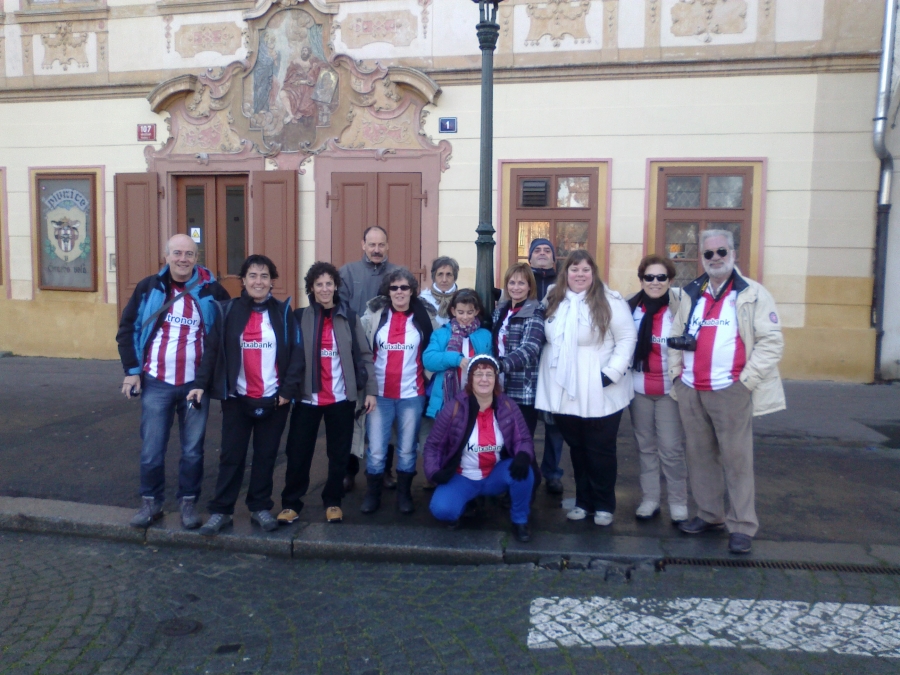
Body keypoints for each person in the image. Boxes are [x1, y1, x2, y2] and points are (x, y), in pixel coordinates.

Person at [669, 229, 785, 555]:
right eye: (709, 253)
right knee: (700, 457)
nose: (716, 258)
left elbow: (771, 342)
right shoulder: (693, 292)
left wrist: (746, 381)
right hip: (691, 388)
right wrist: (676, 376)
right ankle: (710, 515)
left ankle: (742, 525)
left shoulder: (752, 293)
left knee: (737, 460)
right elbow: (675, 335)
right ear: (702, 258)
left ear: (733, 253)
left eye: (722, 251)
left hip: (731, 389)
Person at [116, 233, 230, 530]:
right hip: (157, 382)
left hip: (195, 385)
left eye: (189, 254)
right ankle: (150, 503)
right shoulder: (149, 287)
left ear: (197, 258)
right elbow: (128, 328)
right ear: (166, 256)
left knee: (192, 450)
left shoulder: (213, 290)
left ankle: (188, 503)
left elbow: (225, 334)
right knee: (152, 448)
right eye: (177, 253)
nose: (183, 259)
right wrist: (132, 370)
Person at [186, 255, 302, 536]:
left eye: (264, 276)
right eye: (252, 275)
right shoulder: (228, 311)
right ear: (243, 280)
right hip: (237, 398)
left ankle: (259, 506)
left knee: (266, 456)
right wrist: (200, 383)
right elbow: (213, 349)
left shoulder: (283, 312)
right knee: (231, 456)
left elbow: (297, 353)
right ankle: (222, 510)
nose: (258, 281)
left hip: (274, 399)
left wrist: (288, 390)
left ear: (272, 281)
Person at [535, 250, 637, 527]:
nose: (579, 274)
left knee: (600, 449)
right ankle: (583, 501)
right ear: (565, 273)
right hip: (563, 388)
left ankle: (603, 504)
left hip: (600, 387)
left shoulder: (610, 301)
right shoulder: (554, 299)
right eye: (574, 269)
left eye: (585, 270)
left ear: (593, 273)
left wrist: (611, 373)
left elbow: (627, 338)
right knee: (577, 448)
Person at [278, 262, 377, 525]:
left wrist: (370, 391)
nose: (324, 289)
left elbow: (365, 355)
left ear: (336, 286)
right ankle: (291, 503)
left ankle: (333, 502)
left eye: (329, 284)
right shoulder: (299, 316)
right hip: (307, 398)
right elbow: (289, 355)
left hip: (341, 398)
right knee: (298, 453)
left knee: (339, 454)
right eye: (319, 284)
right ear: (311, 288)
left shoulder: (349, 317)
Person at [425, 355, 535, 543]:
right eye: (478, 374)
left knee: (525, 472)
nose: (484, 379)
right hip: (463, 475)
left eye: (489, 374)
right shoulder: (454, 408)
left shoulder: (507, 405)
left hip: (495, 474)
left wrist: (524, 454)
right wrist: (433, 472)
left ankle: (520, 520)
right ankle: (465, 502)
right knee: (442, 510)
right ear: (470, 379)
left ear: (495, 379)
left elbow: (523, 438)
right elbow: (433, 445)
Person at [360, 268, 437, 514]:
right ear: (388, 291)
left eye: (404, 287)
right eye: (394, 288)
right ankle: (373, 495)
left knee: (407, 448)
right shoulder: (375, 316)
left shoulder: (425, 317)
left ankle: (404, 495)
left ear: (412, 290)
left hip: (411, 395)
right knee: (376, 449)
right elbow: (360, 348)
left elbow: (435, 348)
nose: (399, 292)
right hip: (379, 395)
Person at [626, 254, 688, 523]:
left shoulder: (680, 308)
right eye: (649, 277)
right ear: (641, 280)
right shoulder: (631, 308)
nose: (655, 282)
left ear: (670, 280)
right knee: (645, 447)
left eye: (661, 277)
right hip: (638, 389)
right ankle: (650, 499)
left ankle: (678, 502)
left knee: (671, 449)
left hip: (669, 391)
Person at [338, 226, 400, 491]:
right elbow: (340, 309)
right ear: (363, 244)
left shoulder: (397, 274)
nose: (376, 250)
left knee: (385, 414)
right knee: (352, 413)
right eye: (372, 244)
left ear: (387, 246)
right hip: (354, 354)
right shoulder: (347, 273)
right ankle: (348, 470)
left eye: (381, 245)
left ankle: (384, 470)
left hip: (388, 355)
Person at [528, 238, 565, 495]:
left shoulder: (563, 284)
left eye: (547, 250)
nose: (542, 254)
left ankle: (552, 472)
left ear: (554, 258)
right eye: (537, 250)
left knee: (555, 424)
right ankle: (528, 471)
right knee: (526, 422)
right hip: (527, 362)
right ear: (530, 257)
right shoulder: (521, 280)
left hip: (554, 361)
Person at [491, 263, 545, 437]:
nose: (516, 287)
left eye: (521, 283)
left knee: (521, 440)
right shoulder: (501, 310)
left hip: (522, 387)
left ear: (530, 286)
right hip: (499, 384)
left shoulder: (535, 311)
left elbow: (530, 349)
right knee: (501, 439)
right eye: (512, 282)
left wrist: (500, 365)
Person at [423, 288, 492, 420]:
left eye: (469, 312)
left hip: (476, 400)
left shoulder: (485, 335)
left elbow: (491, 366)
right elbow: (429, 360)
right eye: (461, 312)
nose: (465, 317)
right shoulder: (441, 333)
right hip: (445, 402)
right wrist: (456, 359)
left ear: (476, 311)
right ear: (453, 311)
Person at [419, 256, 459, 327]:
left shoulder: (461, 299)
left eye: (449, 274)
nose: (444, 280)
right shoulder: (423, 300)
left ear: (454, 277)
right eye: (440, 274)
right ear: (434, 277)